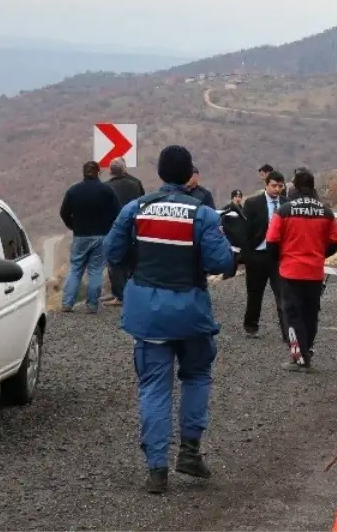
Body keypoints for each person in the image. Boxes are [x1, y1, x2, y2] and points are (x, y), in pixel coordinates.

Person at [103, 145, 235, 494]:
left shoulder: (135, 209)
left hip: (147, 315)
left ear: (161, 174)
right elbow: (222, 262)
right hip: (191, 312)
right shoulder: (203, 214)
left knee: (154, 389)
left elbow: (112, 253)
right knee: (196, 377)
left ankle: (156, 469)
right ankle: (190, 452)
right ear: (188, 174)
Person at [267, 168, 337, 372]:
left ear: (295, 186)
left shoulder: (284, 210)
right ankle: (307, 350)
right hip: (315, 271)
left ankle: (299, 358)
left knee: (293, 315)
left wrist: (282, 258)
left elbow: (272, 241)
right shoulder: (326, 211)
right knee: (311, 313)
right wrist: (319, 255)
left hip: (290, 271)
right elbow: (335, 242)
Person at [59, 161, 121, 313]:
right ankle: (92, 305)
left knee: (75, 269)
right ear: (98, 173)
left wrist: (73, 226)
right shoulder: (107, 190)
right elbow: (118, 213)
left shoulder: (73, 191)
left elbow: (63, 212)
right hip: (101, 236)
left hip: (80, 235)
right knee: (95, 270)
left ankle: (67, 303)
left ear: (83, 173)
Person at [241, 170, 288, 340]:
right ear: (266, 185)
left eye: (280, 186)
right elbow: (244, 232)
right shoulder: (253, 203)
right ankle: (251, 326)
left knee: (282, 294)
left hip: (278, 257)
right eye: (274, 186)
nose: (277, 189)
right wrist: (247, 257)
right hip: (257, 254)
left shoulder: (286, 204)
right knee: (255, 293)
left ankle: (287, 331)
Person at [104, 160, 146, 307]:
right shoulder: (135, 184)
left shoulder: (107, 187)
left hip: (114, 228)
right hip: (135, 226)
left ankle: (120, 295)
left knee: (115, 262)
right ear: (125, 170)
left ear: (110, 171)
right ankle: (135, 291)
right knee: (133, 260)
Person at [220, 190, 247, 264]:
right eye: (236, 196)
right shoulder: (226, 209)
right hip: (229, 243)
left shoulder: (243, 210)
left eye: (239, 197)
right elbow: (219, 222)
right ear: (232, 198)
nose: (238, 199)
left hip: (241, 244)